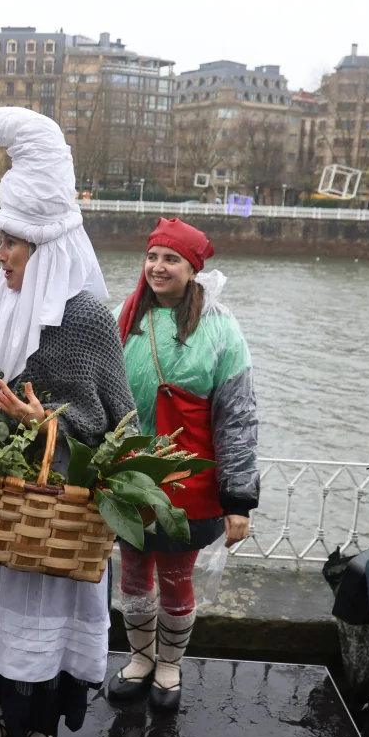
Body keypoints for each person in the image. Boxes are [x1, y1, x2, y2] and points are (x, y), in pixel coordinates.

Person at [0, 107, 137, 737]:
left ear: (44, 250)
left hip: (55, 518)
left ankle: (40, 728)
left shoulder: (87, 320)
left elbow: (120, 433)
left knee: (41, 635)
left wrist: (45, 423)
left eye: (11, 244)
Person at [108, 218, 260, 710]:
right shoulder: (121, 320)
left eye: (170, 259)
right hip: (129, 476)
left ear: (192, 269)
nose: (157, 267)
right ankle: (139, 657)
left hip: (190, 480)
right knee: (132, 573)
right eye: (152, 257)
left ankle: (169, 666)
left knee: (176, 578)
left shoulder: (221, 329)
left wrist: (238, 499)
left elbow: (237, 417)